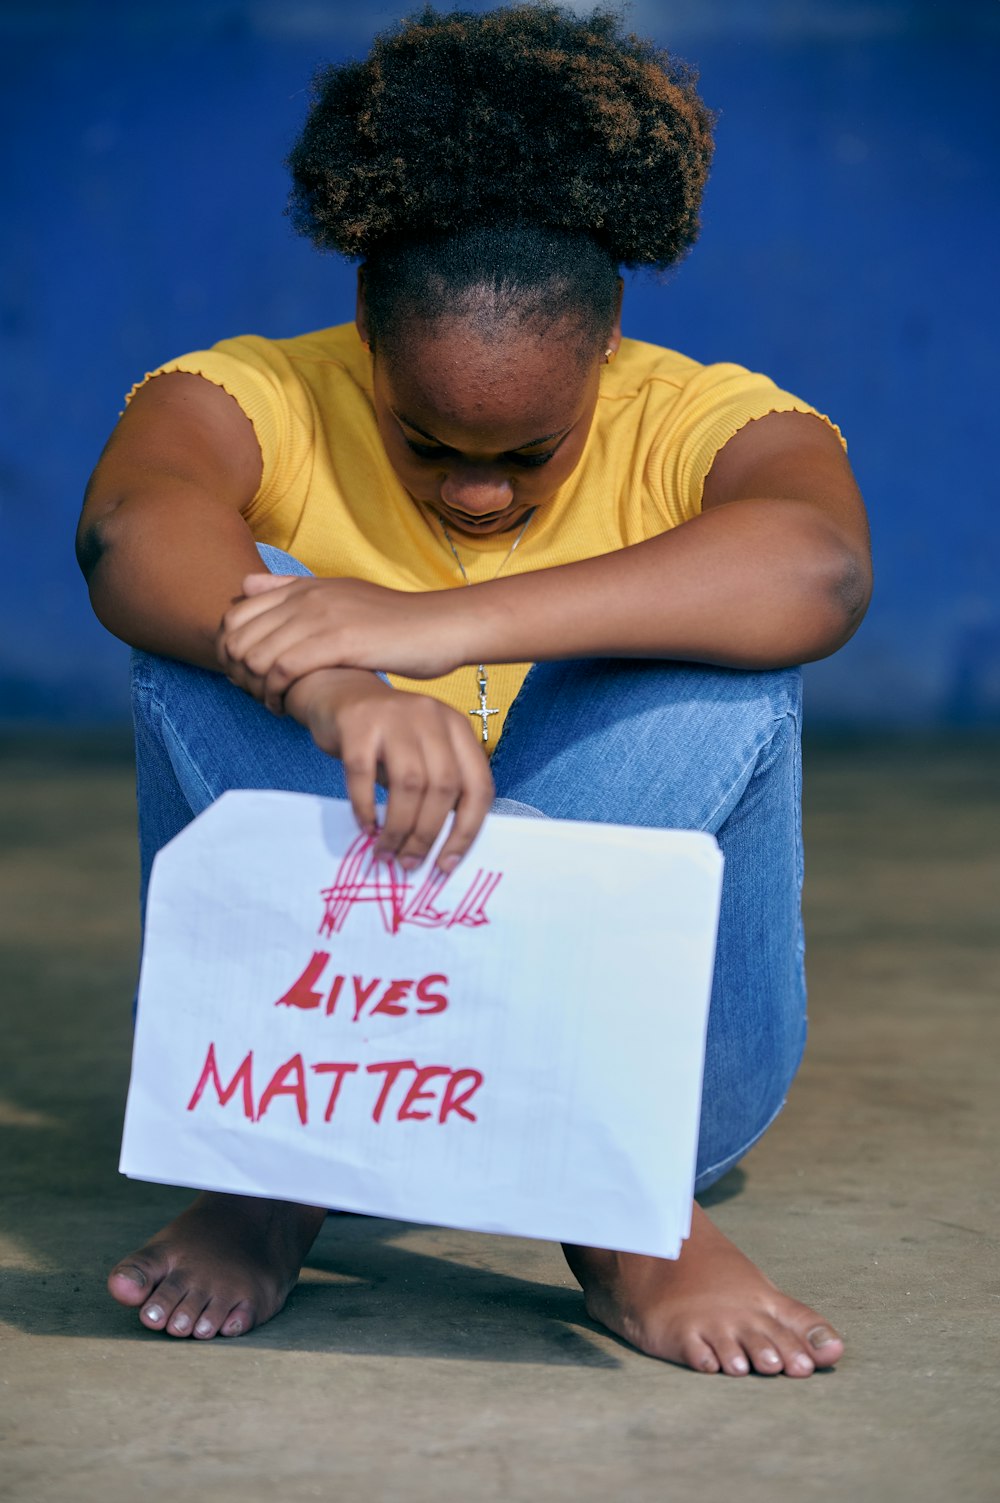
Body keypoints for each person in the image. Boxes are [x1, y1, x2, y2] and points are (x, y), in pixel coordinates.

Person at [77, 3, 871, 1377]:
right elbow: (126, 530)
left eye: (530, 453)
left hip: (655, 1076)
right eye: (429, 444)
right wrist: (332, 680)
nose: (478, 489)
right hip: (326, 1048)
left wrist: (429, 627)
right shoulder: (255, 394)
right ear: (365, 343)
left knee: (725, 653)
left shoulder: (711, 420)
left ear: (609, 340)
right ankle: (280, 1170)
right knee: (213, 598)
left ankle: (624, 1213)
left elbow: (820, 572)